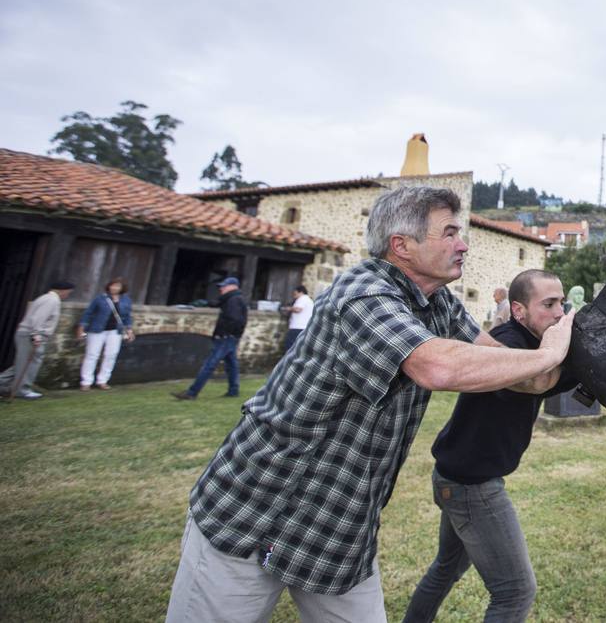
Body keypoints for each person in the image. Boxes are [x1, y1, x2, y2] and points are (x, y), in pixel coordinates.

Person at [165, 186, 573, 622]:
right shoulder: (364, 292)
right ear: (402, 245)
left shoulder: (440, 306)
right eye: (450, 232)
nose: (464, 243)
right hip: (256, 507)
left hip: (338, 526)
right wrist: (547, 353)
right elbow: (436, 367)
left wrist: (557, 365)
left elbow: (503, 365)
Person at [403, 268, 578, 623]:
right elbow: (538, 380)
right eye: (548, 304)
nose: (559, 312)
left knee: (444, 571)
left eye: (561, 302)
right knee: (515, 591)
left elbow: (552, 380)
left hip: (456, 479)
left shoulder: (532, 341)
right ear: (518, 310)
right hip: (472, 487)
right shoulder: (507, 342)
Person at [173, 276, 248, 400]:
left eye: (224, 286)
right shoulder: (232, 299)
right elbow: (219, 304)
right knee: (231, 364)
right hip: (230, 337)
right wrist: (206, 303)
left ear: (233, 287)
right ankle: (233, 391)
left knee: (209, 364)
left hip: (226, 337)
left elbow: (235, 320)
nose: (221, 289)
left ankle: (191, 393)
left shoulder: (234, 300)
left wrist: (225, 334)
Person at [0, 280, 75, 399]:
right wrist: (36, 334)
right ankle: (22, 390)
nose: (68, 295)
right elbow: (38, 318)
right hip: (32, 334)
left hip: (27, 333)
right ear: (62, 291)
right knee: (30, 363)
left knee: (22, 363)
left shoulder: (45, 298)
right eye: (68, 292)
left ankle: (2, 384)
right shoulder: (51, 300)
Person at [76, 276, 135, 391]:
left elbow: (127, 317)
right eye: (113, 285)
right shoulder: (100, 299)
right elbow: (88, 313)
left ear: (122, 288)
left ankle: (103, 380)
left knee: (111, 355)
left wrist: (129, 330)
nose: (114, 288)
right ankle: (86, 381)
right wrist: (81, 327)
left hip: (115, 331)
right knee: (92, 355)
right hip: (98, 330)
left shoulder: (126, 300)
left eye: (117, 286)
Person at [278, 285, 313, 353]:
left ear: (301, 292)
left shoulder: (302, 298)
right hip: (303, 327)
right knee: (298, 347)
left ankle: (288, 362)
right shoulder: (308, 299)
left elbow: (298, 309)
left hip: (297, 327)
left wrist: (287, 308)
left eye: (295, 293)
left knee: (290, 346)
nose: (294, 295)